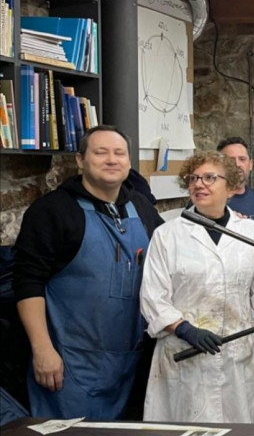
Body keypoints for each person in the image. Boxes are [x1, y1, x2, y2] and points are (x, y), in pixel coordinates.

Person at [13, 125, 163, 420]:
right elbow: (28, 282)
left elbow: (168, 264)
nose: (112, 159)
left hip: (129, 363)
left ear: (129, 162)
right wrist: (42, 350)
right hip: (68, 365)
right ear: (81, 160)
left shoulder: (141, 208)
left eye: (119, 153)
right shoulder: (52, 211)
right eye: (101, 152)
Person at [140, 151, 254, 423]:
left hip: (238, 355)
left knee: (238, 433)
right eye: (193, 178)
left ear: (231, 186)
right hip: (184, 355)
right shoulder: (168, 234)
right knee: (186, 435)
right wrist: (184, 329)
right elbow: (153, 296)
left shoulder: (250, 232)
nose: (199, 184)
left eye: (210, 177)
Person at [218, 136, 254, 224]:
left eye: (242, 159)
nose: (237, 164)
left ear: (250, 164)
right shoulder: (209, 199)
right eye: (230, 160)